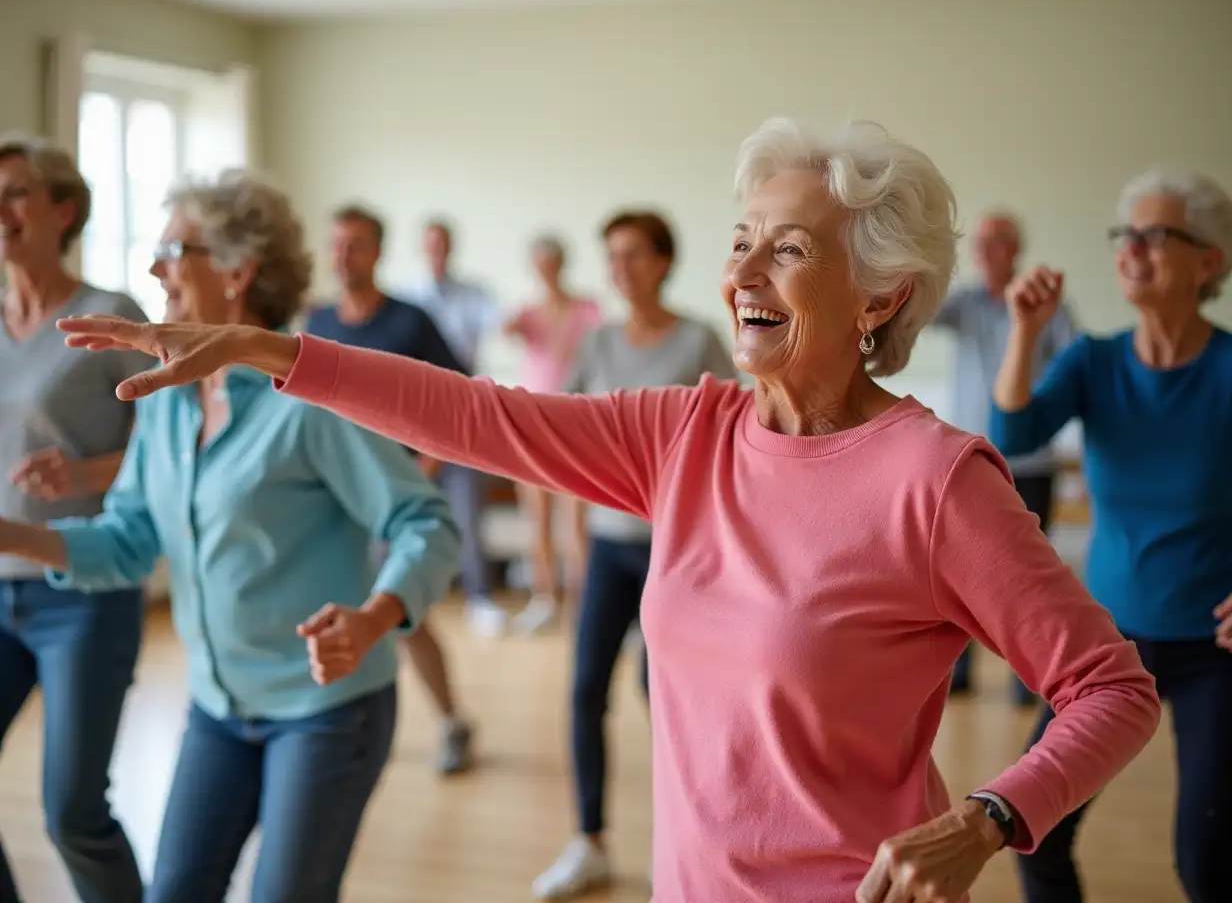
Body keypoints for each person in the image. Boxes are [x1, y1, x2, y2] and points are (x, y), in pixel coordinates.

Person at [57, 117, 1162, 903]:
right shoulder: (686, 432)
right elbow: (480, 419)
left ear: (879, 295)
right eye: (740, 242)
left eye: (786, 248)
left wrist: (985, 822)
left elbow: (1110, 690)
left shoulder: (931, 477)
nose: (744, 271)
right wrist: (268, 348)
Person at [6, 168, 460, 903]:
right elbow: (126, 541)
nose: (154, 268)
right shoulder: (165, 401)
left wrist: (376, 615)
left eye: (173, 250)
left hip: (325, 713)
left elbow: (425, 521)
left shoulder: (308, 400)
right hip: (218, 708)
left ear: (238, 271)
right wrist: (11, 537)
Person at [988, 169, 1232, 903]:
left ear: (1209, 262)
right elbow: (1014, 432)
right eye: (1125, 236)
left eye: (1156, 235)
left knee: (1208, 865)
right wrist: (1025, 330)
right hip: (1106, 650)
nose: (1132, 250)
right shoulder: (1094, 361)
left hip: (1214, 655)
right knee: (1035, 835)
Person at [533, 211, 738, 898]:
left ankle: (682, 842)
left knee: (665, 698)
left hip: (676, 557)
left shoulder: (699, 340)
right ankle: (589, 838)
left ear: (663, 262)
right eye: (611, 256)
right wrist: (574, 539)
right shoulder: (595, 346)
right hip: (610, 551)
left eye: (632, 255)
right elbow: (567, 442)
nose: (619, 268)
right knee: (586, 689)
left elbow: (732, 444)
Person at [0, 135, 148, 903]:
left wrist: (87, 472)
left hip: (80, 592)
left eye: (18, 192)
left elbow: (179, 446)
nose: (2, 208)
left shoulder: (109, 316)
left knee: (72, 813)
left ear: (65, 209)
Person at [304, 203, 476, 775]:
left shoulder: (410, 322)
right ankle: (329, 721)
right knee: (329, 611)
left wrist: (423, 468)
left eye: (354, 244)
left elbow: (458, 399)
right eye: (335, 244)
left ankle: (451, 721)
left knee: (404, 615)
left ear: (377, 252)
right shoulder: (316, 324)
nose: (342, 256)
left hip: (391, 500)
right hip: (330, 503)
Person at [932, 211, 1077, 705]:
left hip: (1031, 461)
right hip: (968, 459)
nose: (986, 252)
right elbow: (915, 308)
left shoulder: (1050, 306)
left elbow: (1069, 368)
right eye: (980, 244)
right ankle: (961, 674)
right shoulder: (963, 304)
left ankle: (1025, 678)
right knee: (961, 570)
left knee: (1027, 577)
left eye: (996, 243)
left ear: (1016, 250)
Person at [398, 218, 506, 637]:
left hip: (462, 417)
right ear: (422, 248)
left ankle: (480, 597)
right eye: (430, 244)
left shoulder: (475, 295)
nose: (436, 251)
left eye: (443, 243)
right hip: (413, 421)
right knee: (407, 511)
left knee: (467, 511)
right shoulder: (406, 299)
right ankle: (404, 596)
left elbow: (501, 324)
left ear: (451, 247)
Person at [502, 234, 602, 636]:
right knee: (537, 517)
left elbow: (598, 350)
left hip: (574, 422)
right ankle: (544, 599)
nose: (546, 269)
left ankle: (584, 603)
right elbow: (504, 330)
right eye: (539, 263)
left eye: (551, 261)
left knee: (575, 521)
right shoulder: (527, 313)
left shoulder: (587, 309)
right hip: (531, 419)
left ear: (561, 263)